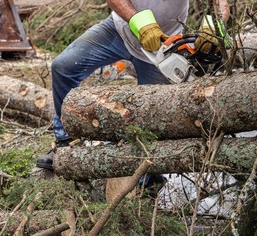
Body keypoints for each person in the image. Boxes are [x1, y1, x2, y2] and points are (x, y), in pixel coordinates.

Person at [36, 0, 230, 170]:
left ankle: (149, 178)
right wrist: (138, 21)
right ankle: (66, 141)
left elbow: (221, 3)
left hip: (163, 47)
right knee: (64, 66)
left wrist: (216, 27)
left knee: (154, 118)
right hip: (119, 31)